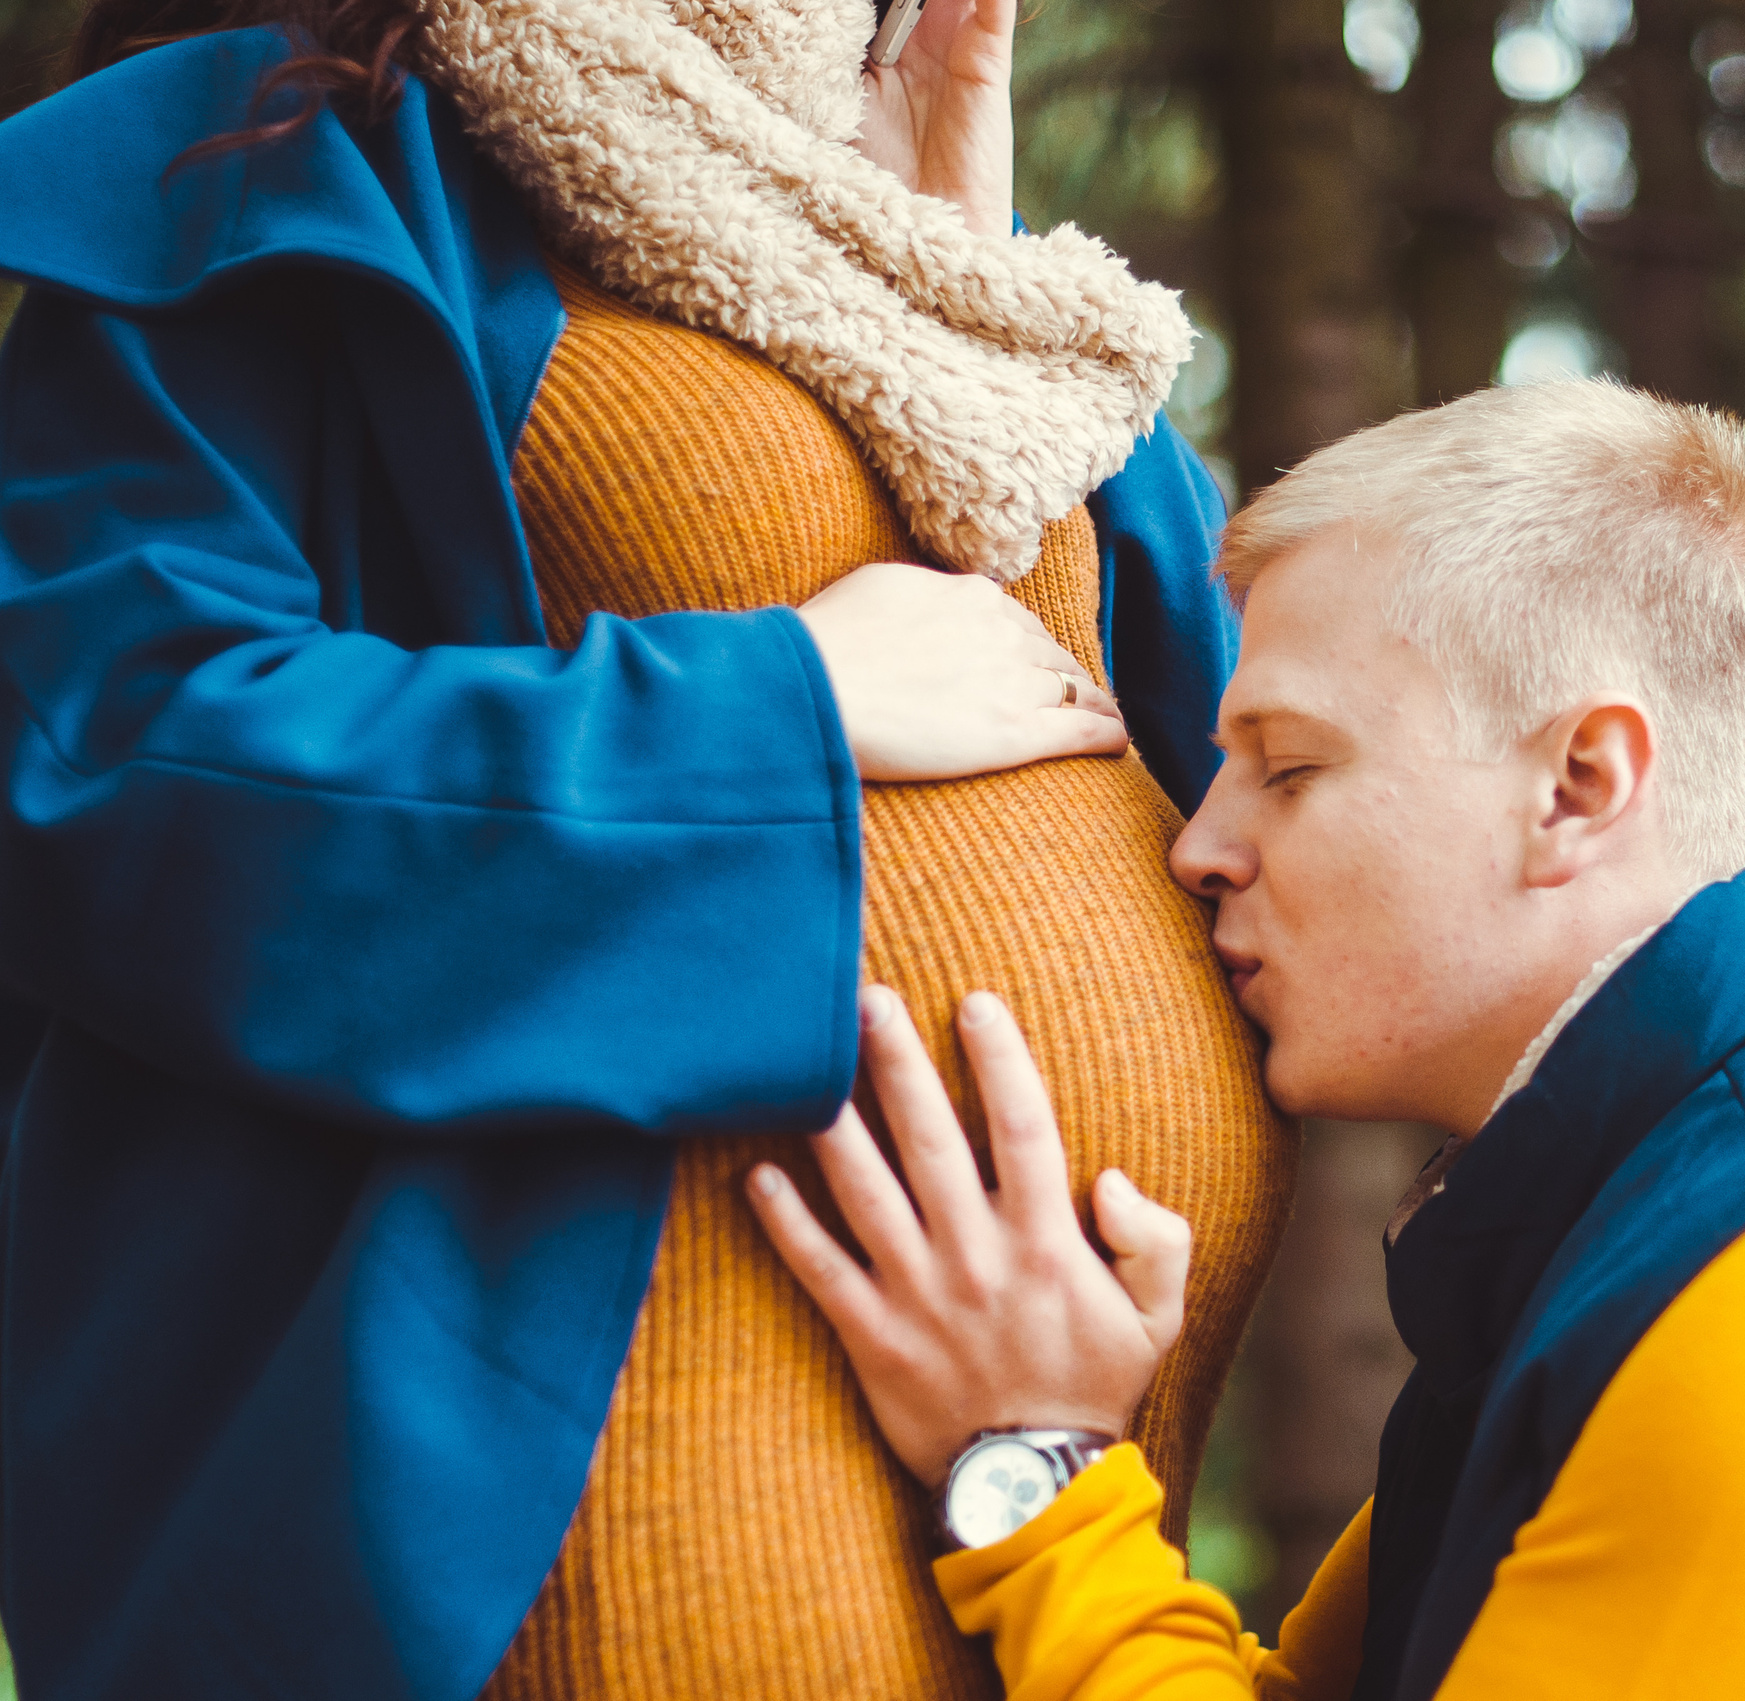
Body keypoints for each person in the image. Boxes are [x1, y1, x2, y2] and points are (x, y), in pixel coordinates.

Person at [0, 0, 1291, 1696]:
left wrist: (976, 299)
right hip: (580, 1538)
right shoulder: (287, 147)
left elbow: (1270, 739)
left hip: (1066, 1522)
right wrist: (778, 710)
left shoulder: (937, 178)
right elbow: (104, 759)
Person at [747, 380, 1745, 1700]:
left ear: (1580, 785)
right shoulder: (1635, 1222)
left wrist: (1035, 1477)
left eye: (1292, 764)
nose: (1202, 843)